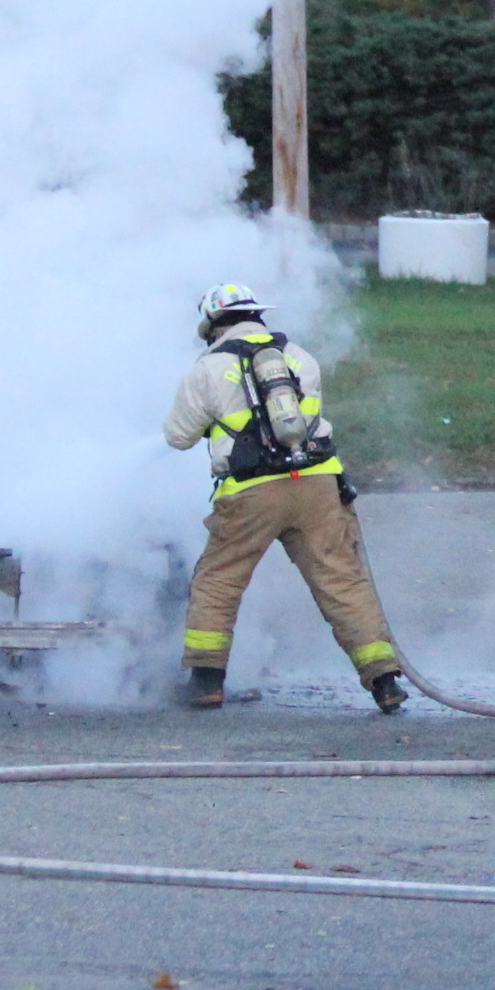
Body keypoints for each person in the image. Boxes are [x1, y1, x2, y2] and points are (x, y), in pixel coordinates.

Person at [163, 283, 409, 713]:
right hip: (316, 485)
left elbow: (178, 437)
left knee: (219, 580)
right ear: (258, 315)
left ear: (211, 324)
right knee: (342, 581)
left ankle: (205, 682)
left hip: (251, 492)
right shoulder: (301, 358)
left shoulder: (208, 368)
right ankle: (385, 680)